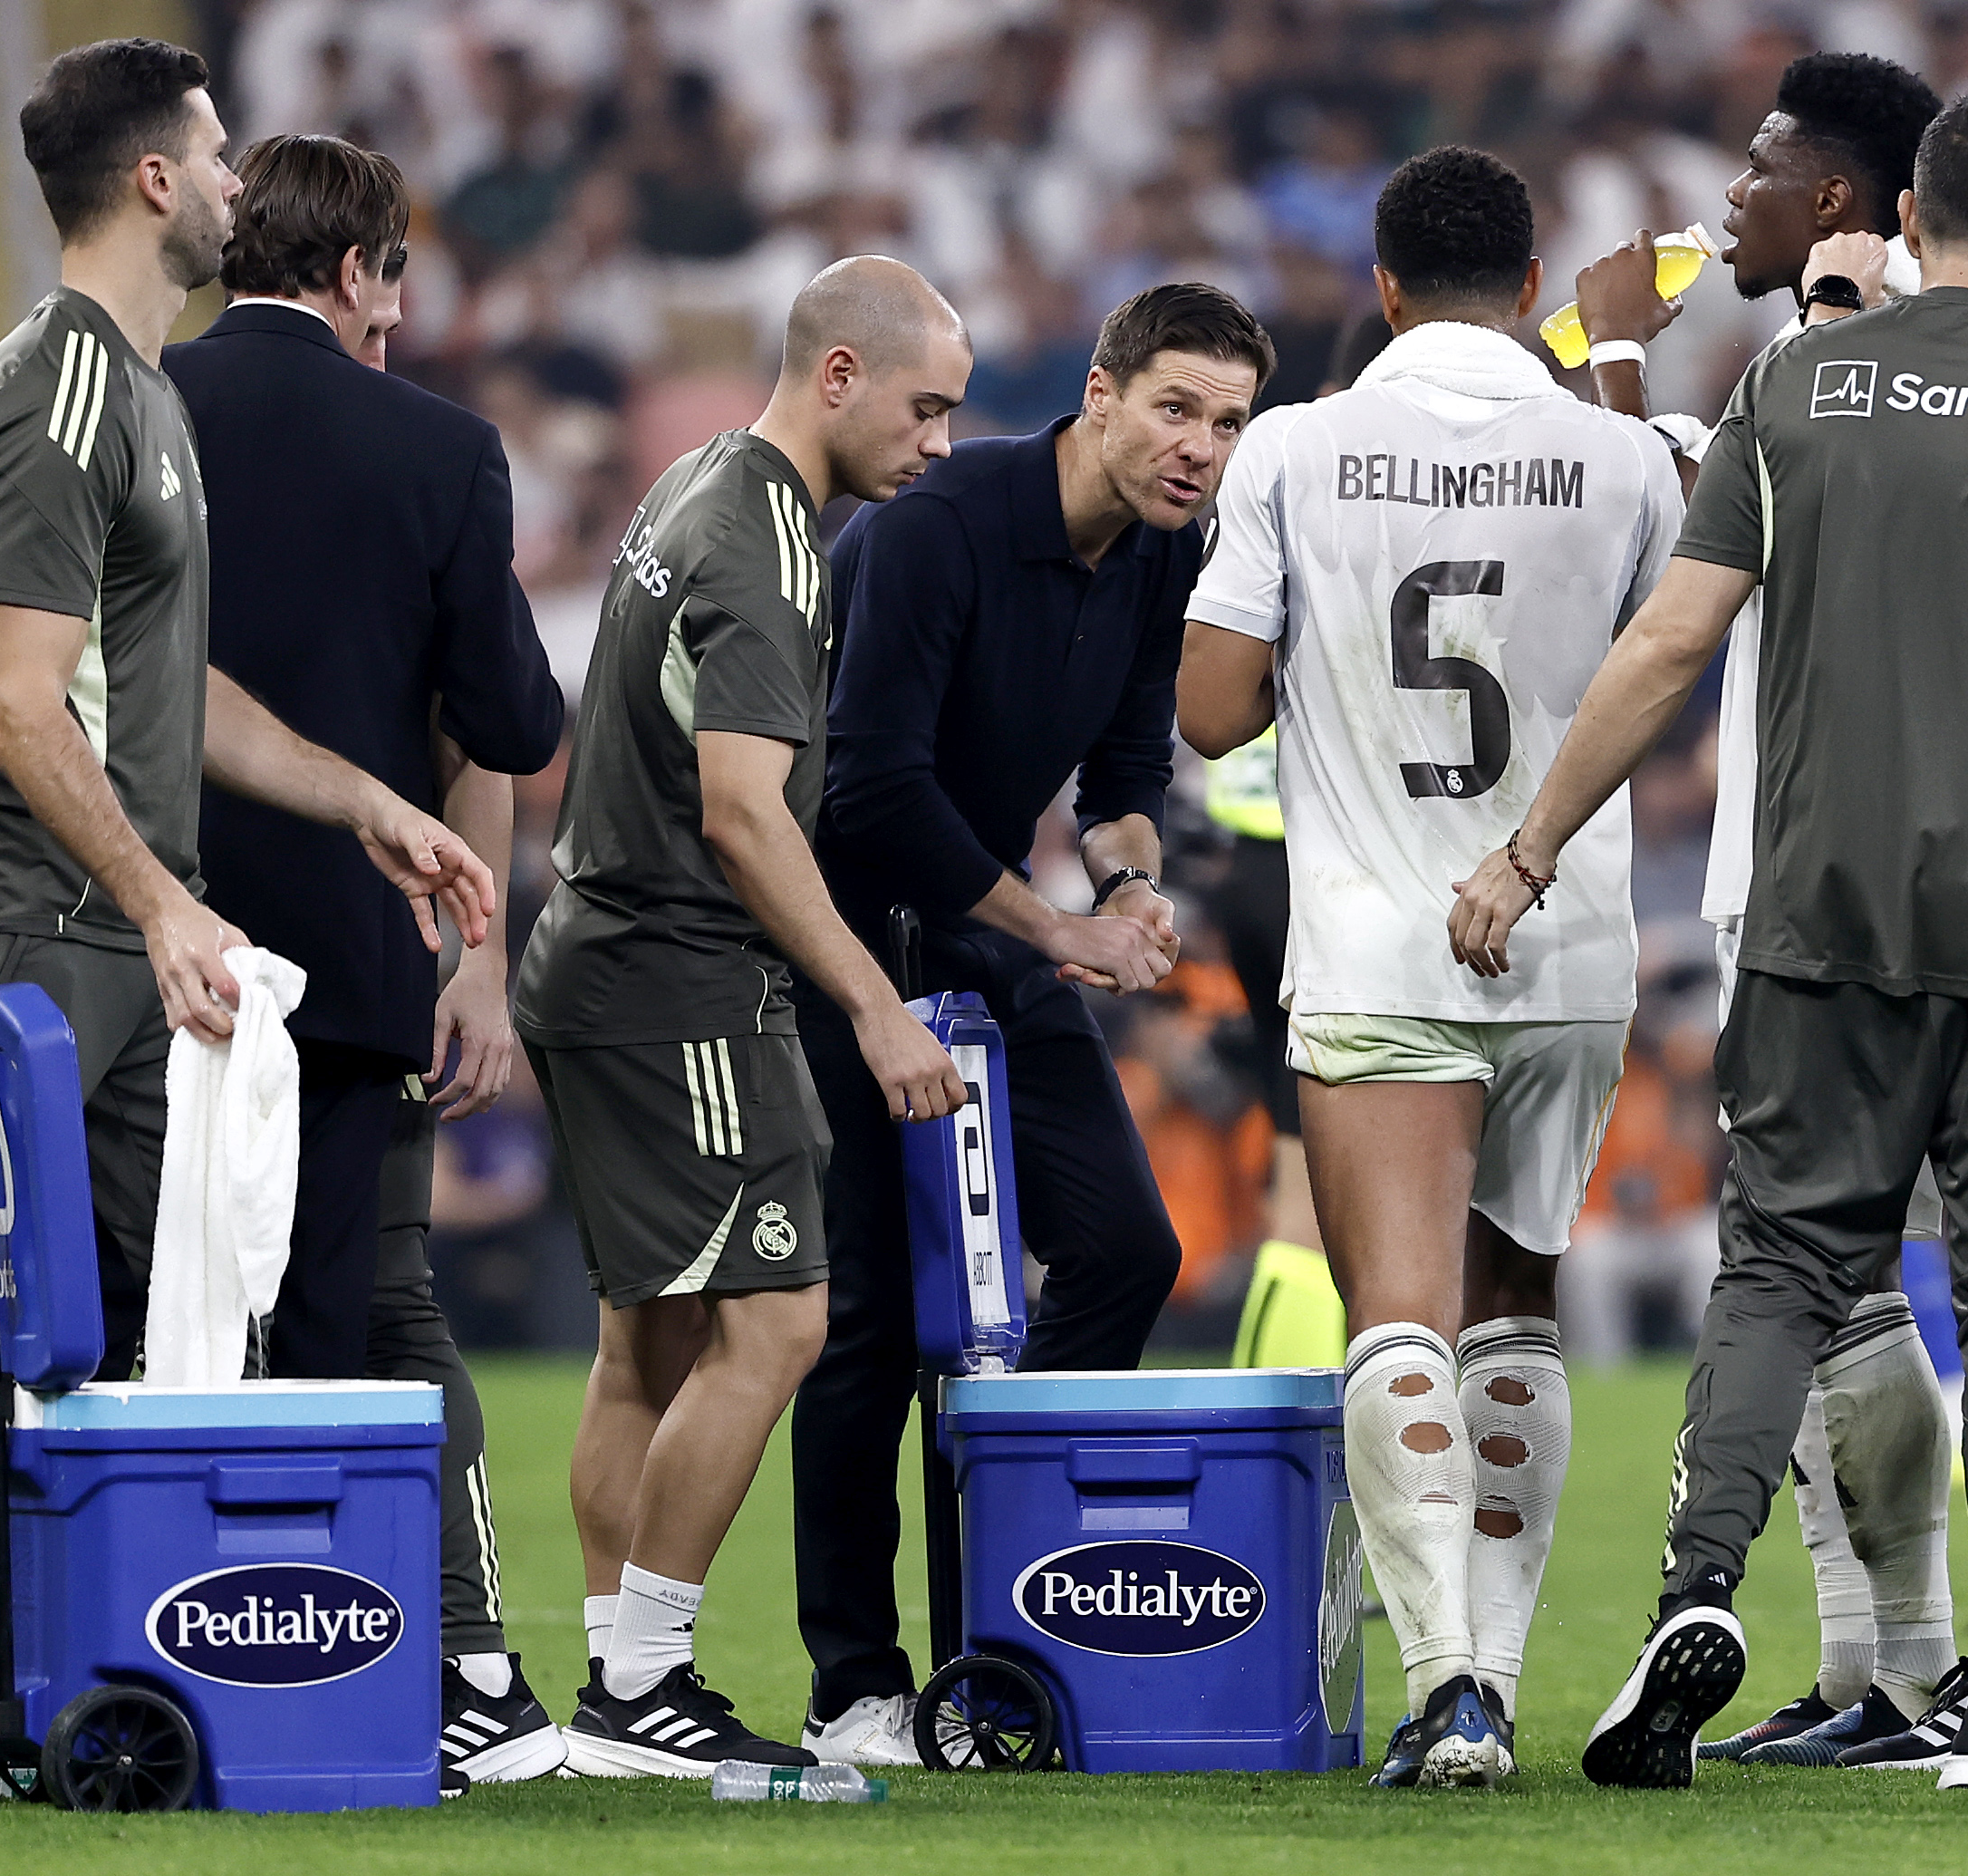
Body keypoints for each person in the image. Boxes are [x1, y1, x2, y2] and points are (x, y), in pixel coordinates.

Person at [0, 38, 497, 1803]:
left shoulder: (141, 395)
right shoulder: (54, 396)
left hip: (109, 927)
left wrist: (366, 800)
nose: (234, 185)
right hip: (10, 923)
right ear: (154, 180)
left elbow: (164, 690)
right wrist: (161, 902)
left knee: (171, 1301)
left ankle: (100, 1679)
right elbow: (16, 706)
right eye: (216, 157)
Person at [1452, 90, 1968, 1794]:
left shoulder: (1792, 388)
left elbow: (1668, 644)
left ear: (1905, 216)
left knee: (1780, 1274)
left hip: (1815, 922)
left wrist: (1528, 849)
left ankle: (1694, 1588)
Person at [1180, 146, 1681, 1789]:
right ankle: (1507, 1678)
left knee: (1394, 1313)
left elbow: (1210, 712)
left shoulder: (1292, 447)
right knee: (1513, 1309)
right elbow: (1666, 661)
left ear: (1383, 289)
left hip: (1380, 936)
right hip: (1565, 935)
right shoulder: (1617, 455)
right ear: (1531, 289)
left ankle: (1448, 1688)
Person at [790, 281, 1272, 1767]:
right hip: (838, 938)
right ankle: (853, 1685)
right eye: (1177, 409)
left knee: (1126, 1247)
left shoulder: (1164, 549)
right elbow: (871, 788)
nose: (1200, 448)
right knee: (870, 1319)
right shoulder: (936, 526)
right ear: (1100, 395)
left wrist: (1126, 884)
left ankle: (1006, 1617)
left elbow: (1126, 766)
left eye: (1229, 424)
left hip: (986, 925)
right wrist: (1057, 926)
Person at [517, 255, 974, 1779]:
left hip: (594, 955)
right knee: (779, 1322)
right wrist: (875, 1009)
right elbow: (742, 812)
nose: (939, 444)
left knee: (645, 1344)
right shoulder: (770, 542)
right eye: (924, 408)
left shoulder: (695, 478)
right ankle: (644, 1687)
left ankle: (615, 1689)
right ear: (839, 375)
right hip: (683, 981)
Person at [1583, 53, 1968, 1768]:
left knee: (1814, 1263)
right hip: (1960, 874)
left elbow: (1675, 571)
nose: (1725, 200)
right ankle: (1870, 1667)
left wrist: (1612, 353)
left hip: (1811, 879)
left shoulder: (1831, 360)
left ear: (1834, 200)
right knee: (1864, 1277)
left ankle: (1912, 1666)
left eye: (1756, 170)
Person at [161, 131, 567, 1789]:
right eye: (393, 280)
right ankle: (341, 1669)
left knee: (150, 1316)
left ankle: (146, 1646)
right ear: (356, 271)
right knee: (353, 1312)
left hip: (148, 947)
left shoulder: (135, 405)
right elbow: (515, 717)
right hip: (349, 961)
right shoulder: (440, 447)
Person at [1217, 310, 1391, 1373]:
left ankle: (1271, 1419)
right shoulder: (1387, 474)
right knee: (1378, 1177)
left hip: (1249, 853)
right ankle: (1352, 1416)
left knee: (1296, 1157)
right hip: (1334, 852)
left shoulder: (1267, 464)